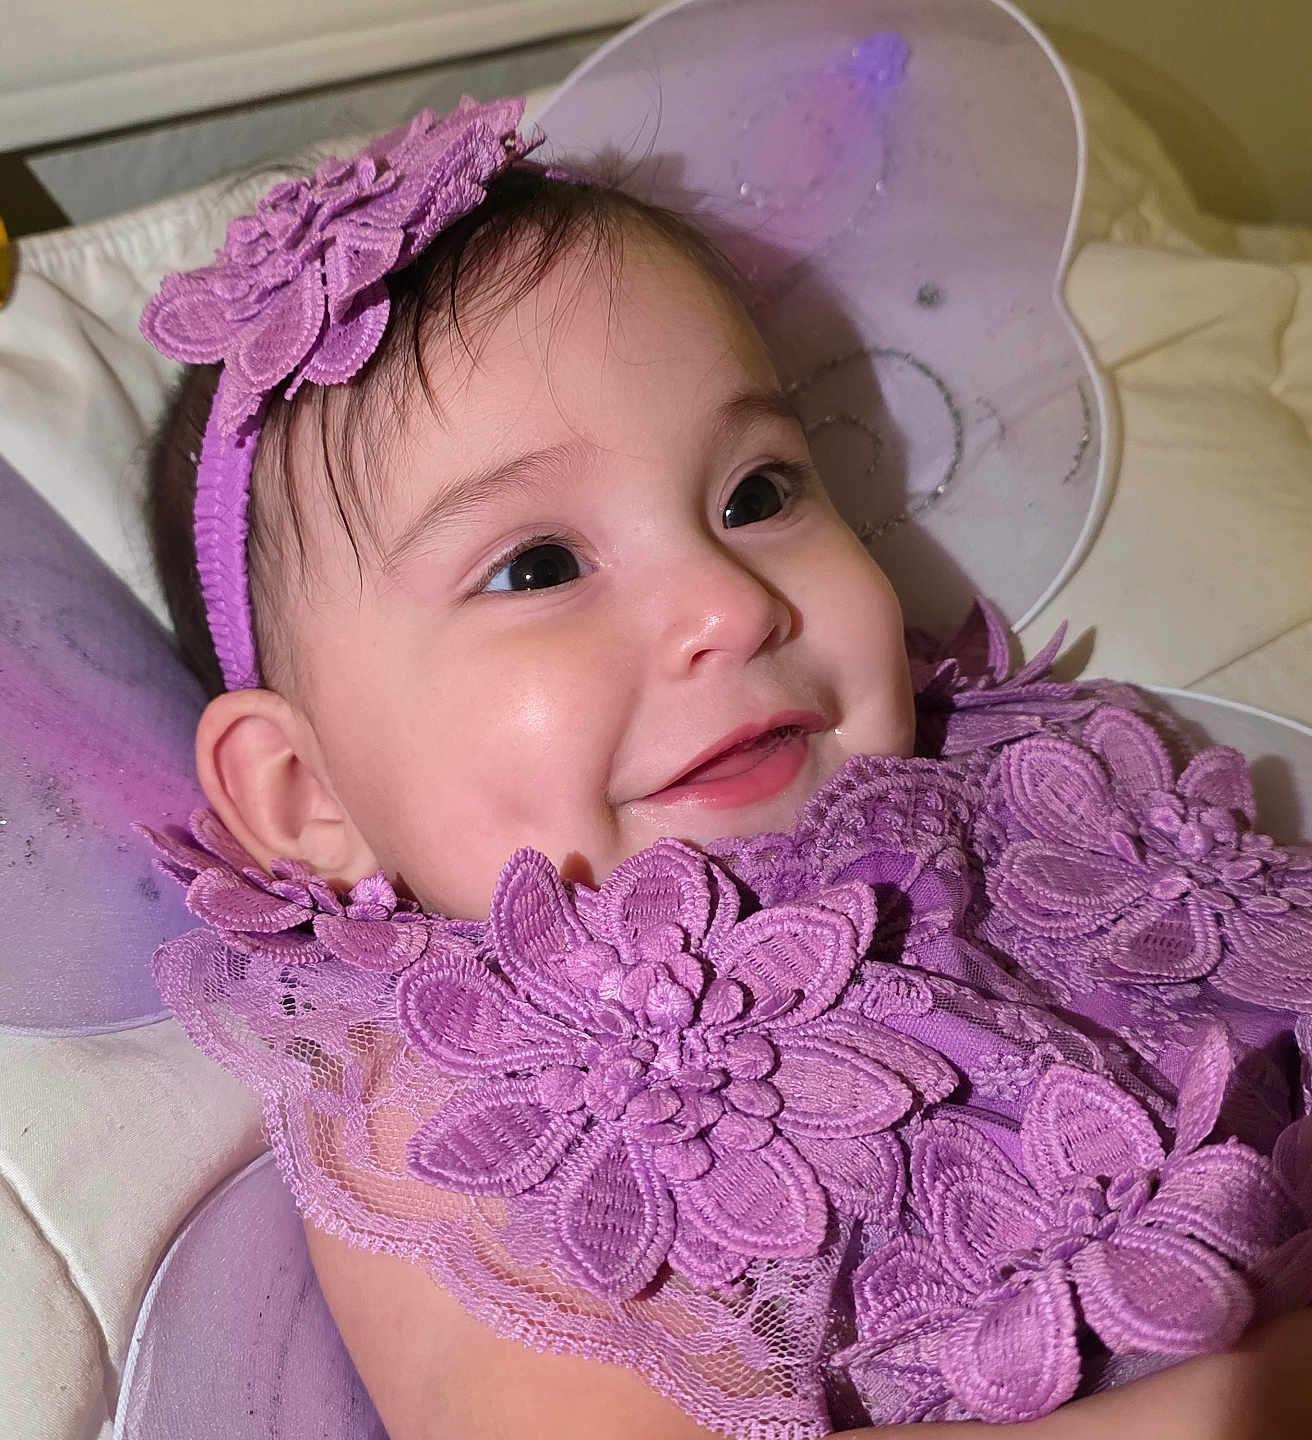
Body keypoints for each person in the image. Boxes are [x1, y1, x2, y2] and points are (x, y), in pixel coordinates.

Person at [139, 99, 1312, 1437]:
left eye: (758, 492)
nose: (733, 603)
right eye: (539, 567)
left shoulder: (1034, 818)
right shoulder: (461, 1112)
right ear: (309, 798)